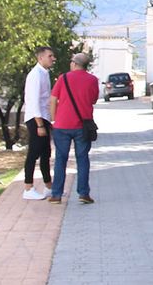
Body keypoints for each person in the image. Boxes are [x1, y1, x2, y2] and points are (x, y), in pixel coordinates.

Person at [48, 52, 99, 205]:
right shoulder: (92, 80)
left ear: (74, 63)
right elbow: (94, 100)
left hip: (62, 125)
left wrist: (53, 119)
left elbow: (53, 99)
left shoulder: (63, 78)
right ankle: (83, 193)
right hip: (82, 126)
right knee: (82, 159)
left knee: (61, 159)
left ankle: (56, 195)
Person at [20, 46, 56, 200]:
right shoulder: (35, 75)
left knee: (46, 153)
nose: (53, 58)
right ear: (40, 58)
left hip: (44, 118)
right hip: (36, 119)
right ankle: (28, 188)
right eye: (50, 56)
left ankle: (49, 187)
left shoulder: (44, 73)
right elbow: (33, 102)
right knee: (33, 153)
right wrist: (39, 124)